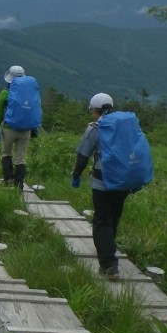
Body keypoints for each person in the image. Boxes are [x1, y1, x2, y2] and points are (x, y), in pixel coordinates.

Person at [71, 92, 131, 282]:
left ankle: (109, 265)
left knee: (101, 220)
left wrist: (76, 176)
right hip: (124, 181)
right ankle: (108, 249)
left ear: (96, 110)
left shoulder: (95, 128)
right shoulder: (125, 126)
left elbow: (83, 156)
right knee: (113, 217)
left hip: (102, 182)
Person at [0, 65, 41, 190]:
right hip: (26, 130)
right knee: (21, 158)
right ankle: (19, 184)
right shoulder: (30, 93)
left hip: (9, 129)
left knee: (6, 153)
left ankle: (8, 179)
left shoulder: (5, 93)